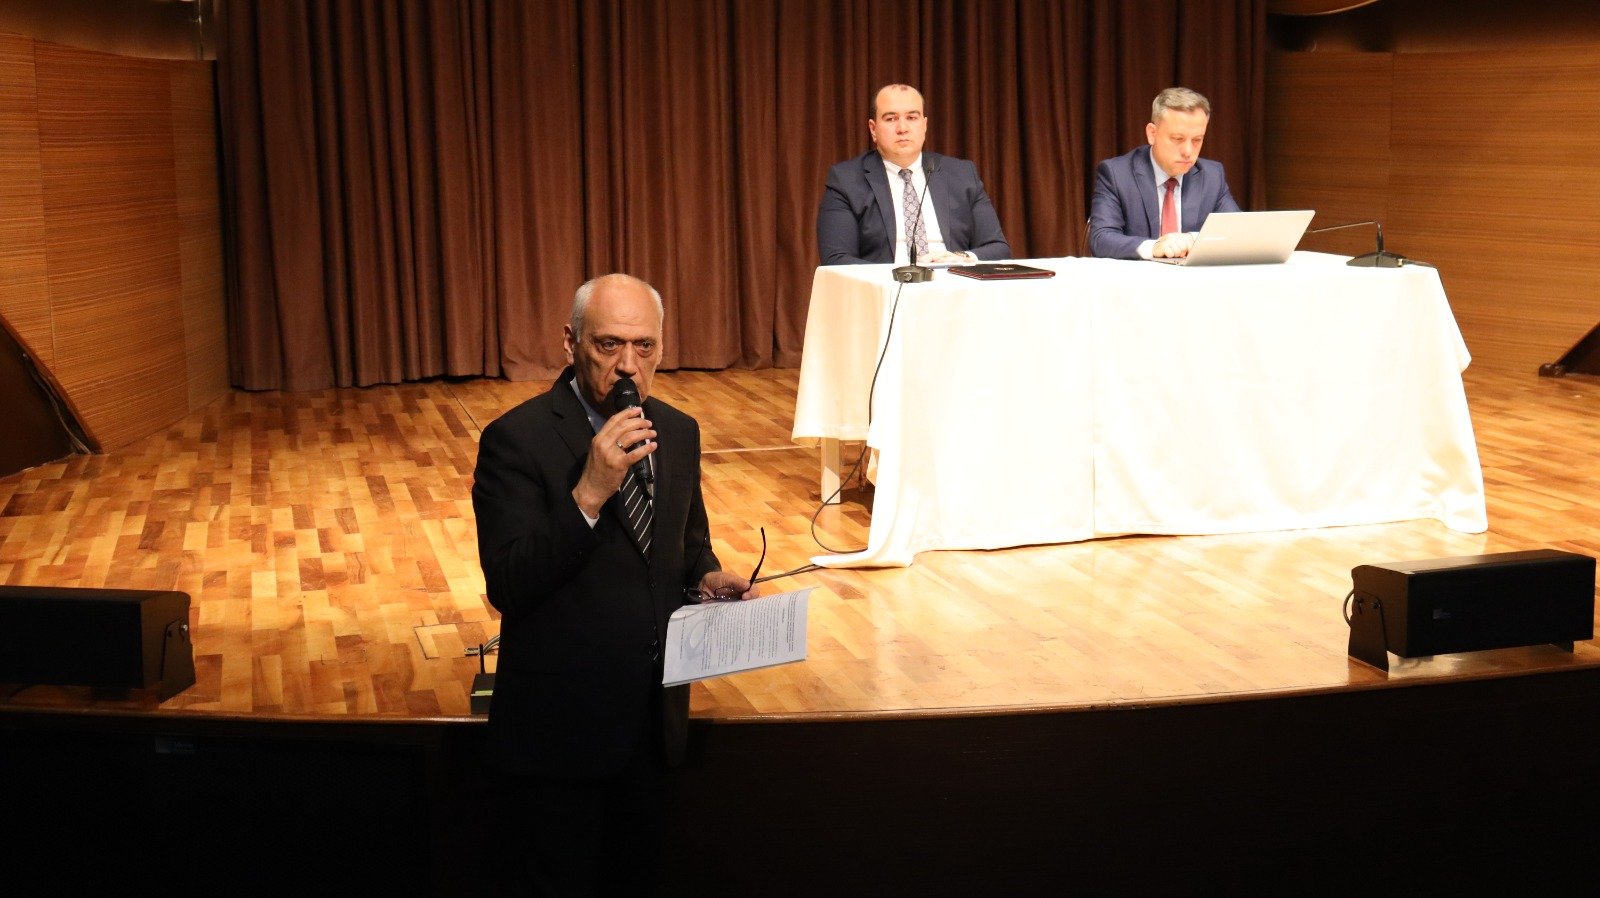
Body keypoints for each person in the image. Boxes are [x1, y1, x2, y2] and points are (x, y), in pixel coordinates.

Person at [472, 273, 756, 894]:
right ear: (570, 342)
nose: (628, 365)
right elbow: (509, 585)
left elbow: (687, 544)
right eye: (609, 345)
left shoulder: (677, 431)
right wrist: (589, 495)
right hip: (561, 742)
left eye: (644, 346)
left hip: (655, 730)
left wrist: (709, 576)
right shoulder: (515, 440)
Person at [817, 83, 1012, 266]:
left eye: (912, 118)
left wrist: (960, 258)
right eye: (891, 119)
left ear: (924, 125)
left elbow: (997, 248)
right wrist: (900, 276)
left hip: (954, 284)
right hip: (887, 288)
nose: (902, 128)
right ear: (873, 129)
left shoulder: (961, 174)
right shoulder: (846, 180)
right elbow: (836, 259)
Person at [1088, 87, 1241, 261]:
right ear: (1152, 134)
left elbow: (1237, 231)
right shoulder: (1117, 174)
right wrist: (1154, 247)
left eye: (1197, 140)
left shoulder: (1212, 176)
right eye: (1178, 139)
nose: (1188, 151)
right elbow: (1101, 239)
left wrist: (1192, 239)